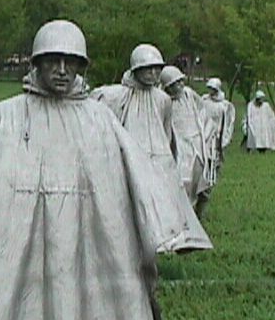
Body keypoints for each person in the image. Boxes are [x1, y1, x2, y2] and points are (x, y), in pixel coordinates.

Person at [0, 20, 197, 320]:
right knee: (9, 302)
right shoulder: (3, 118)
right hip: (16, 240)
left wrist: (168, 228)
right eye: (52, 60)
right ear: (36, 63)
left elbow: (142, 177)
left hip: (85, 240)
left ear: (80, 66)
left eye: (69, 62)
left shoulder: (100, 119)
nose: (61, 70)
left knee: (83, 306)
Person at [90, 44, 212, 252]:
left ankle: (166, 240)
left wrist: (166, 160)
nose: (153, 73)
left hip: (158, 158)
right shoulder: (116, 96)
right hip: (129, 156)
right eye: (148, 68)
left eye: (157, 69)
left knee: (163, 203)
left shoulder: (162, 99)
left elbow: (166, 131)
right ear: (136, 69)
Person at [159, 65, 216, 218]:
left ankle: (199, 215)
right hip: (179, 146)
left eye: (180, 82)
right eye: (174, 84)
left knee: (202, 180)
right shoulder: (164, 101)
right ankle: (184, 216)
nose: (179, 86)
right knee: (183, 182)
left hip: (197, 143)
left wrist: (207, 136)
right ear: (167, 87)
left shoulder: (189, 95)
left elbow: (202, 112)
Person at [202, 77, 236, 155]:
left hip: (216, 133)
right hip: (205, 131)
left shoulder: (223, 105)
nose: (210, 90)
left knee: (215, 154)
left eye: (212, 88)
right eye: (210, 88)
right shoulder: (205, 101)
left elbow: (227, 121)